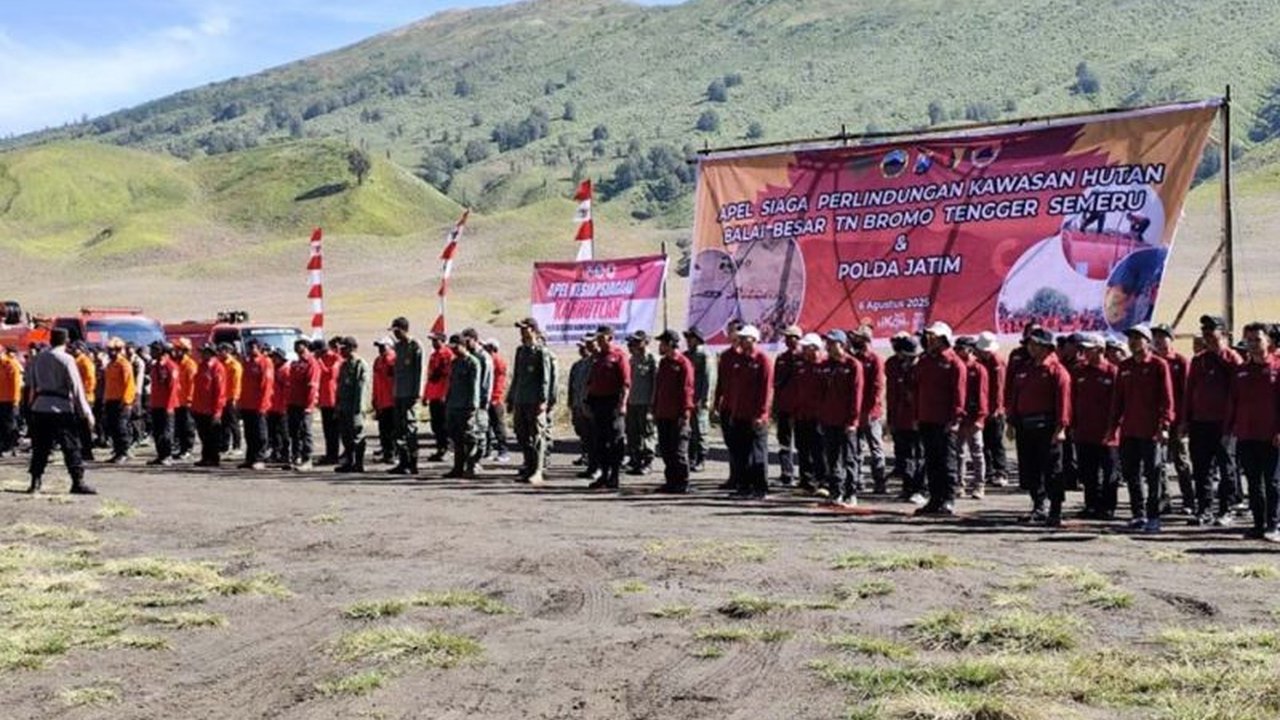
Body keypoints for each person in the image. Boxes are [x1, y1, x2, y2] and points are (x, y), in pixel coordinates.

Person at [1111, 324, 1174, 533]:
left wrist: (1164, 425)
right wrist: (1113, 426)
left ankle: (1154, 516)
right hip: (1129, 429)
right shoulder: (1125, 366)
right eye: (1131, 338)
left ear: (1148, 342)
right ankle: (1138, 514)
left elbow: (1167, 399)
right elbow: (1118, 399)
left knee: (1153, 474)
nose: (1133, 342)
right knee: (1131, 474)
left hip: (1151, 431)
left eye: (1138, 338)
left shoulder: (1158, 365)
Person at [1007, 327, 1071, 525]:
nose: (1030, 348)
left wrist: (1061, 428)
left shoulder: (1057, 371)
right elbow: (1015, 396)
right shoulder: (1024, 368)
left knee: (1052, 470)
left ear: (1046, 347)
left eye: (1035, 344)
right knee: (1030, 469)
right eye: (1029, 344)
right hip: (1025, 427)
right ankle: (1038, 506)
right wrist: (1011, 422)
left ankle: (1055, 510)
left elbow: (1064, 402)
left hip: (1047, 427)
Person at [1184, 314, 1243, 526]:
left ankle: (1226, 509)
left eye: (1212, 330)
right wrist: (1186, 420)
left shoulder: (1233, 359)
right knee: (1201, 468)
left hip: (1224, 424)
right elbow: (1189, 392)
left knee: (1227, 468)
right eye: (1205, 330)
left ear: (1224, 333)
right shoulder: (1198, 361)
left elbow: (1239, 392)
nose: (1208, 334)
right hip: (1200, 422)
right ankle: (1204, 509)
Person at [1224, 322, 1280, 541]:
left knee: (1273, 483)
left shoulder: (1277, 368)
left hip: (1272, 437)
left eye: (1257, 339)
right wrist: (1229, 430)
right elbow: (1233, 402)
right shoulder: (1241, 372)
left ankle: (1273, 524)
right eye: (1249, 340)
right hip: (1247, 435)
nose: (1253, 344)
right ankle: (1258, 525)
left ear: (1268, 341)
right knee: (1254, 483)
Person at [26, 328, 95, 494]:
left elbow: (32, 385)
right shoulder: (67, 359)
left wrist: (30, 406)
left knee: (40, 447)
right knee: (71, 446)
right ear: (66, 341)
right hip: (61, 408)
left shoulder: (38, 358)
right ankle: (77, 481)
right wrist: (86, 412)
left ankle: (35, 481)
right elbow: (76, 387)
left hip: (40, 406)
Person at [914, 322, 966, 516]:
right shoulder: (925, 360)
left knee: (947, 461)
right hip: (927, 418)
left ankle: (948, 499)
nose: (929, 340)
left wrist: (955, 419)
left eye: (933, 336)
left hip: (945, 421)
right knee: (931, 461)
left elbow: (959, 394)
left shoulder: (954, 363)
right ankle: (935, 499)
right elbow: (917, 388)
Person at [1071, 334, 1120, 519]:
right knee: (1088, 471)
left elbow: (1119, 403)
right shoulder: (1079, 371)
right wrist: (1073, 425)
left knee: (1109, 472)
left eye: (1089, 349)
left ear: (1100, 350)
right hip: (1084, 431)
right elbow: (1073, 399)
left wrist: (1114, 427)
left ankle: (1108, 507)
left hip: (1107, 432)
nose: (1084, 352)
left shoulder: (1112, 372)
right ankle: (1091, 505)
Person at [721, 325, 773, 498]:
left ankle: (760, 488)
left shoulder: (762, 360)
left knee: (757, 453)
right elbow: (735, 388)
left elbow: (766, 391)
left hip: (755, 416)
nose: (741, 341)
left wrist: (761, 414)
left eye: (744, 338)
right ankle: (743, 487)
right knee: (740, 453)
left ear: (753, 339)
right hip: (739, 414)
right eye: (740, 338)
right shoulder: (739, 360)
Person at [819, 329, 863, 507]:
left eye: (832, 343)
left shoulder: (853, 365)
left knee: (849, 458)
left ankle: (850, 493)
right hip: (829, 419)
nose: (828, 346)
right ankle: (836, 491)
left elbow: (856, 395)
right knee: (832, 457)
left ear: (842, 345)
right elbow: (821, 393)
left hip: (846, 422)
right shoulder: (826, 365)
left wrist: (852, 421)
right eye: (827, 343)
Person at [509, 319, 553, 485]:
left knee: (537, 436)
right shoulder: (521, 351)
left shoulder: (541, 352)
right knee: (522, 435)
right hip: (521, 399)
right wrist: (512, 396)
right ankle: (528, 467)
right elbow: (517, 376)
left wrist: (543, 400)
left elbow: (545, 379)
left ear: (533, 330)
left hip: (534, 400)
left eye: (525, 328)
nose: (522, 332)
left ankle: (538, 470)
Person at [585, 325, 630, 490]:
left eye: (601, 337)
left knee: (615, 440)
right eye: (598, 338)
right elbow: (591, 382)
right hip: (598, 403)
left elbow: (625, 383)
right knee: (600, 441)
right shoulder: (598, 357)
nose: (598, 341)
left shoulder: (618, 356)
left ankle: (615, 476)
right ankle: (604, 475)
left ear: (610, 338)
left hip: (613, 403)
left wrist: (623, 404)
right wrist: (587, 402)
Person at [1152, 323, 1191, 513]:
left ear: (1171, 339)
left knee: (1181, 461)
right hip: (1157, 421)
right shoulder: (1151, 361)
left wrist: (1184, 421)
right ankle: (1164, 499)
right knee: (1158, 462)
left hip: (1177, 421)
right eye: (1156, 337)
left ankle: (1188, 500)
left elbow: (1186, 393)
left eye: (1163, 336)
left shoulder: (1180, 362)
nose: (1159, 340)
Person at [652, 330, 695, 493]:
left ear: (670, 344)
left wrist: (685, 413)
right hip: (663, 413)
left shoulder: (683, 363)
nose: (660, 346)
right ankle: (671, 481)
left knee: (679, 451)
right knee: (666, 450)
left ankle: (682, 482)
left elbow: (687, 390)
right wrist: (655, 408)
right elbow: (659, 387)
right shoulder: (664, 363)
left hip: (678, 415)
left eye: (662, 343)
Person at [886, 333, 925, 504]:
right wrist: (891, 419)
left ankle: (920, 489)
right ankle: (907, 487)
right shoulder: (897, 367)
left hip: (919, 419)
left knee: (920, 456)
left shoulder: (922, 369)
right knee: (905, 456)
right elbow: (892, 395)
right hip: (901, 419)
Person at [850, 326, 888, 493]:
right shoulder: (854, 358)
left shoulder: (875, 360)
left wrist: (870, 412)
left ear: (865, 340)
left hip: (871, 412)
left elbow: (878, 387)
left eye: (858, 338)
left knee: (875, 448)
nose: (855, 341)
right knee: (857, 447)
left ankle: (879, 481)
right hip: (855, 411)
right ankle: (857, 480)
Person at [953, 337, 989, 500]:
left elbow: (983, 395)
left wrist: (980, 418)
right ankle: (959, 484)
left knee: (977, 452)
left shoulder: (978, 369)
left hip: (973, 416)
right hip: (959, 416)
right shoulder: (955, 367)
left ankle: (979, 485)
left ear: (969, 349)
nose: (958, 351)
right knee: (959, 452)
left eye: (961, 348)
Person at [390, 317, 425, 475]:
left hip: (410, 394)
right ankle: (403, 462)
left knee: (410, 429)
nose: (395, 334)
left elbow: (419, 371)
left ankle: (413, 463)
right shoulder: (398, 347)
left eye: (397, 331)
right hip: (399, 393)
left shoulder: (415, 346)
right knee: (399, 429)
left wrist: (417, 393)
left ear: (404, 329)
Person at [792, 333, 826, 495]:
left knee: (819, 450)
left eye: (807, 348)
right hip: (801, 415)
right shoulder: (801, 367)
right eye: (804, 348)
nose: (804, 351)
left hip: (819, 416)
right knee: (803, 449)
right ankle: (806, 481)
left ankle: (823, 482)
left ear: (816, 349)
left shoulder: (824, 366)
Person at [974, 331, 1009, 488]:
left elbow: (999, 387)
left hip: (995, 409)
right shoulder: (980, 361)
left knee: (996, 441)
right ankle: (988, 471)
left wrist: (996, 408)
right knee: (985, 442)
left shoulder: (996, 362)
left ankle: (1001, 471)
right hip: (983, 407)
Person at [444, 334, 482, 479]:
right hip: (454, 405)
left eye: (455, 347)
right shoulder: (455, 363)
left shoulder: (472, 362)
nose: (453, 350)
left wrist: (473, 405)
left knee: (469, 437)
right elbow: (452, 384)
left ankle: (471, 466)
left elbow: (475, 386)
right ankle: (457, 467)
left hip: (466, 406)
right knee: (456, 438)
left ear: (462, 345)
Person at [713, 320, 744, 489]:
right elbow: (721, 382)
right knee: (730, 443)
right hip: (727, 407)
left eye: (734, 331)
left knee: (741, 444)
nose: (731, 334)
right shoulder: (725, 356)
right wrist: (717, 402)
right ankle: (734, 476)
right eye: (730, 331)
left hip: (741, 408)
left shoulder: (746, 356)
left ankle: (742, 478)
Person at [772, 325, 804, 487]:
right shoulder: (781, 358)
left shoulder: (804, 358)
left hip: (800, 408)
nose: (787, 340)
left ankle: (805, 476)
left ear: (798, 339)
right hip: (784, 406)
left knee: (803, 443)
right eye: (786, 337)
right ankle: (786, 473)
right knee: (784, 442)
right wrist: (775, 406)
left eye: (790, 337)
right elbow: (776, 384)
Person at [335, 336, 370, 473]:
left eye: (343, 348)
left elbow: (362, 388)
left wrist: (359, 409)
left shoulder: (359, 364)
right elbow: (340, 386)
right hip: (344, 406)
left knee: (357, 435)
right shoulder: (344, 365)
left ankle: (359, 463)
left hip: (354, 407)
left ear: (351, 348)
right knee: (346, 435)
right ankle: (349, 461)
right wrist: (338, 405)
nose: (341, 351)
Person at [237, 340, 274, 471]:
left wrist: (262, 405)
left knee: (260, 433)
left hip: (259, 404)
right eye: (249, 347)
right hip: (247, 404)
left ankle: (260, 458)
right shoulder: (247, 363)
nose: (251, 349)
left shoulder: (265, 362)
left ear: (259, 348)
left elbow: (266, 385)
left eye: (254, 347)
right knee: (249, 433)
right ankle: (250, 458)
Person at [286, 339, 322, 471]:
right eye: (297, 350)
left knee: (305, 431)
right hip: (293, 402)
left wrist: (309, 405)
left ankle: (307, 459)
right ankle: (296, 457)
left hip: (305, 404)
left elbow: (312, 386)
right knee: (294, 432)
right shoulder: (295, 364)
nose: (299, 352)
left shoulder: (311, 363)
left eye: (301, 350)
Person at [624, 331, 657, 475]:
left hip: (646, 403)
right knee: (633, 433)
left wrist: (652, 405)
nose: (635, 345)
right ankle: (636, 461)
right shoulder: (632, 360)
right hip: (632, 402)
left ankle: (648, 462)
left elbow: (656, 384)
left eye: (638, 342)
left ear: (645, 342)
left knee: (648, 433)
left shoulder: (652, 360)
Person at [191, 344, 228, 468]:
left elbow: (220, 391)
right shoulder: (201, 366)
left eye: (206, 352)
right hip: (200, 407)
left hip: (211, 408)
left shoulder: (217, 368)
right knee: (203, 435)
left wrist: (217, 411)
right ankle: (205, 457)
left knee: (212, 435)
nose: (203, 354)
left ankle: (213, 458)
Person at [462, 328, 493, 473]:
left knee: (479, 433)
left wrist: (483, 402)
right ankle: (469, 462)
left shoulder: (483, 357)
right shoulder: (469, 357)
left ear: (474, 339)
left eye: (467, 340)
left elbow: (486, 382)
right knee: (468, 434)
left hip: (480, 402)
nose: (465, 343)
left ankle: (476, 461)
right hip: (467, 400)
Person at [103, 338, 137, 464]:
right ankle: (117, 451)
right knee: (113, 428)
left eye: (112, 350)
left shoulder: (124, 364)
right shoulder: (110, 365)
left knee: (121, 427)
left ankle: (124, 452)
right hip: (111, 400)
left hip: (121, 401)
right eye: (109, 350)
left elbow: (129, 384)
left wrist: (127, 401)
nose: (110, 352)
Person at [146, 341, 180, 467]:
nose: (151, 352)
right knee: (158, 432)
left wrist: (169, 406)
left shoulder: (171, 366)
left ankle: (167, 455)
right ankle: (160, 455)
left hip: (166, 406)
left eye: (154, 350)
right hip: (156, 404)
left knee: (166, 432)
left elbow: (173, 388)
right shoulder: (156, 366)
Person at [683, 328, 712, 473]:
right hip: (688, 398)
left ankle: (701, 459)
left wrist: (705, 398)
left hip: (699, 397)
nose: (688, 340)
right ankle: (692, 457)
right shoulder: (686, 355)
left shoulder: (703, 355)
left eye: (691, 337)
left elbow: (708, 378)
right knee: (689, 430)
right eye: (687, 337)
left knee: (701, 430)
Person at [423, 332, 453, 463]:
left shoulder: (448, 355)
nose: (433, 343)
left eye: (436, 340)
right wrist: (426, 395)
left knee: (444, 425)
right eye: (432, 341)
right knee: (435, 425)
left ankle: (447, 449)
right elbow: (430, 377)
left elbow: (448, 377)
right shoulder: (433, 356)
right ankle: (440, 448)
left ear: (442, 340)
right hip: (434, 394)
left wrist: (446, 394)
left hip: (443, 395)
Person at [568, 334, 596, 473]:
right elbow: (572, 385)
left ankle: (593, 460)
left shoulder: (594, 363)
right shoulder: (577, 365)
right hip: (577, 404)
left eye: (583, 347)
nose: (581, 350)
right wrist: (571, 403)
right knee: (581, 431)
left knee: (592, 434)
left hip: (588, 405)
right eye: (580, 347)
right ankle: (586, 455)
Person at [315, 337, 343, 466]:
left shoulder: (336, 358)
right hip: (324, 400)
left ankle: (334, 455)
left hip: (333, 399)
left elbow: (330, 373)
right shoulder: (322, 359)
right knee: (327, 430)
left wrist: (319, 361)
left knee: (334, 430)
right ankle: (329, 454)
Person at [483, 338, 511, 463]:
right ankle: (488, 450)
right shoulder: (489, 360)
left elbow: (498, 382)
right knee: (486, 427)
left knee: (498, 426)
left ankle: (503, 451)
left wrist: (495, 398)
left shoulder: (496, 361)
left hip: (495, 398)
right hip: (489, 398)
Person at [372, 338, 397, 464]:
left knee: (392, 429)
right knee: (383, 430)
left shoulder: (393, 360)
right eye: (379, 347)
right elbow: (376, 381)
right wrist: (374, 398)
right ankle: (387, 452)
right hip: (381, 400)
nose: (380, 349)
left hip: (392, 400)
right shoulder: (378, 361)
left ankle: (392, 453)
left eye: (383, 346)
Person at [70, 342, 97, 462]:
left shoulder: (85, 362)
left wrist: (85, 394)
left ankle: (87, 451)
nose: (73, 350)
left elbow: (91, 380)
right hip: (78, 397)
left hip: (85, 398)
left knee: (85, 426)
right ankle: (82, 449)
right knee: (79, 425)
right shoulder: (76, 361)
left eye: (75, 348)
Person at [173, 339, 198, 461]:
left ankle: (188, 449)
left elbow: (192, 384)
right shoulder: (176, 363)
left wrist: (189, 399)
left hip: (186, 401)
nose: (175, 351)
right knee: (179, 426)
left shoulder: (190, 365)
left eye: (178, 349)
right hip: (177, 400)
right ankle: (181, 448)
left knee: (187, 426)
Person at [267, 348, 291, 465]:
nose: (273, 359)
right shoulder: (273, 369)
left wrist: (285, 405)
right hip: (272, 406)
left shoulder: (285, 370)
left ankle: (285, 454)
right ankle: (275, 453)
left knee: (283, 432)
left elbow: (287, 390)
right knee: (273, 432)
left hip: (281, 407)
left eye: (275, 357)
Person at [219, 344, 244, 456]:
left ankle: (237, 446)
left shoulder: (234, 365)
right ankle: (224, 445)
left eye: (222, 350)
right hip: (223, 397)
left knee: (233, 422)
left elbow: (236, 383)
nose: (220, 353)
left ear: (228, 351)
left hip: (231, 397)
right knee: (224, 423)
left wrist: (234, 398)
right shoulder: (221, 363)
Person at [0, 346, 23, 455]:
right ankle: (4, 445)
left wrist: (15, 401)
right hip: (2, 399)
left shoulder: (11, 365)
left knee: (9, 424)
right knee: (3, 424)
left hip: (9, 400)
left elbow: (16, 384)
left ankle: (10, 446)